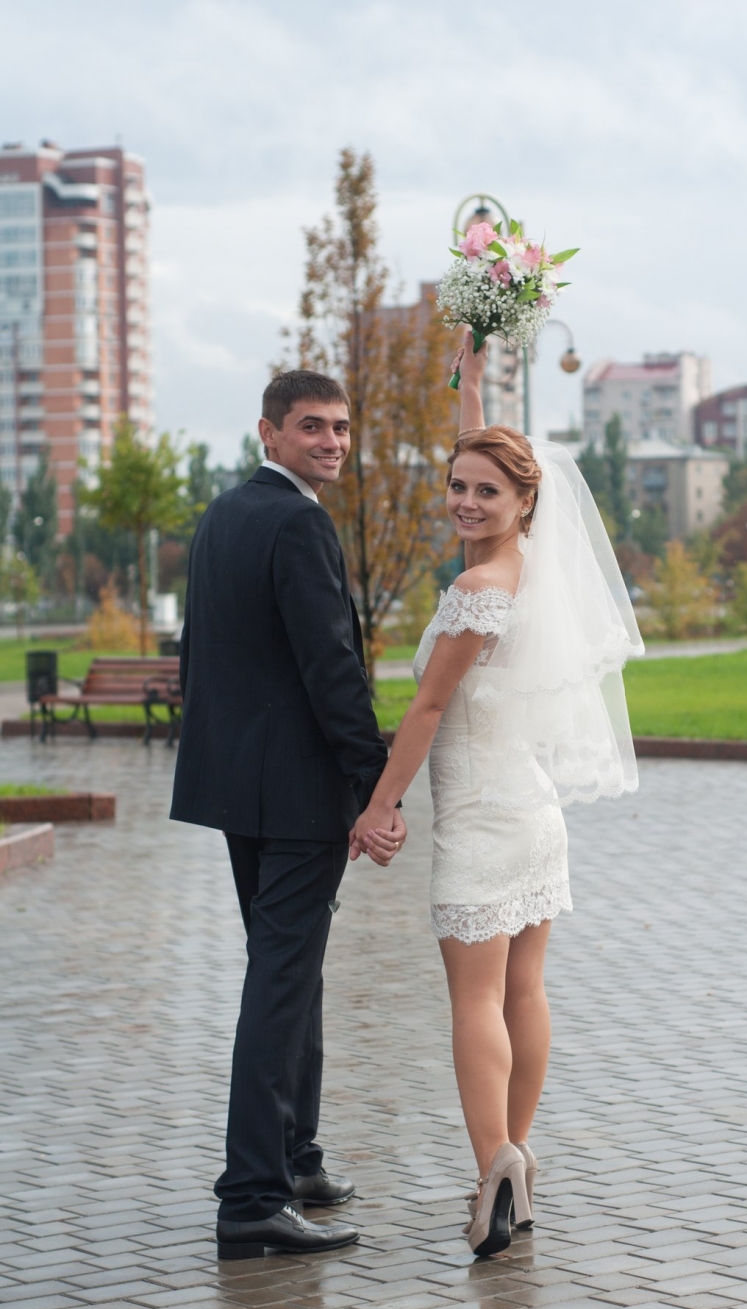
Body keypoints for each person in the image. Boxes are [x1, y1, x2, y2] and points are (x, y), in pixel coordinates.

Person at [351, 331, 643, 1256]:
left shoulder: (479, 588)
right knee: (524, 989)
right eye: (457, 485)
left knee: (475, 1002)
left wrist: (380, 806)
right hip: (535, 815)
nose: (466, 501)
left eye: (486, 490)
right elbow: (488, 458)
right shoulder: (530, 571)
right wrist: (472, 386)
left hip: (481, 819)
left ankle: (493, 1173)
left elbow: (428, 707)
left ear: (525, 502)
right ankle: (518, 1159)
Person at [171, 369, 406, 1261]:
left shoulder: (224, 515)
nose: (332, 442)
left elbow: (213, 656)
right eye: (312, 427)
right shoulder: (300, 522)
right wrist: (375, 788)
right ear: (268, 434)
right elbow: (331, 669)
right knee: (279, 981)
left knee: (289, 971)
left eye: (343, 427)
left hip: (238, 789)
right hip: (298, 796)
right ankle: (251, 1199)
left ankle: (294, 1158)